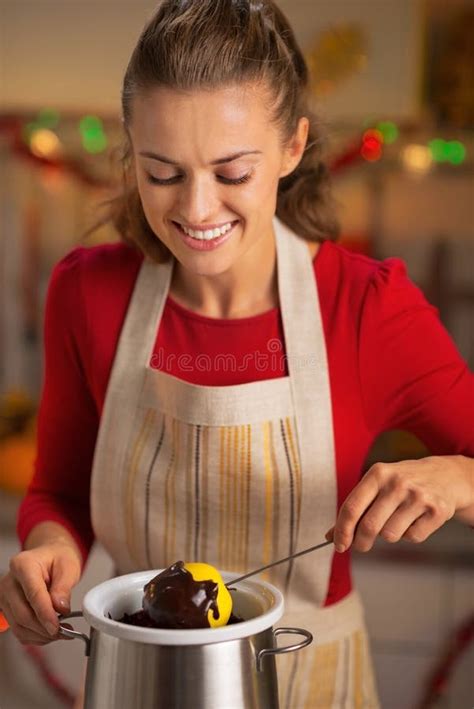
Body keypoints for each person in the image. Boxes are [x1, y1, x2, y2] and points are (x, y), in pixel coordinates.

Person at [1, 1, 473, 707]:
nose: (195, 210)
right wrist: (51, 551)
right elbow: (60, 492)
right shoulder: (87, 292)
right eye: (162, 172)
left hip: (312, 683)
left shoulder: (369, 309)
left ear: (291, 147)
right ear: (132, 150)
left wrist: (462, 477)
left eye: (231, 172)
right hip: (137, 682)